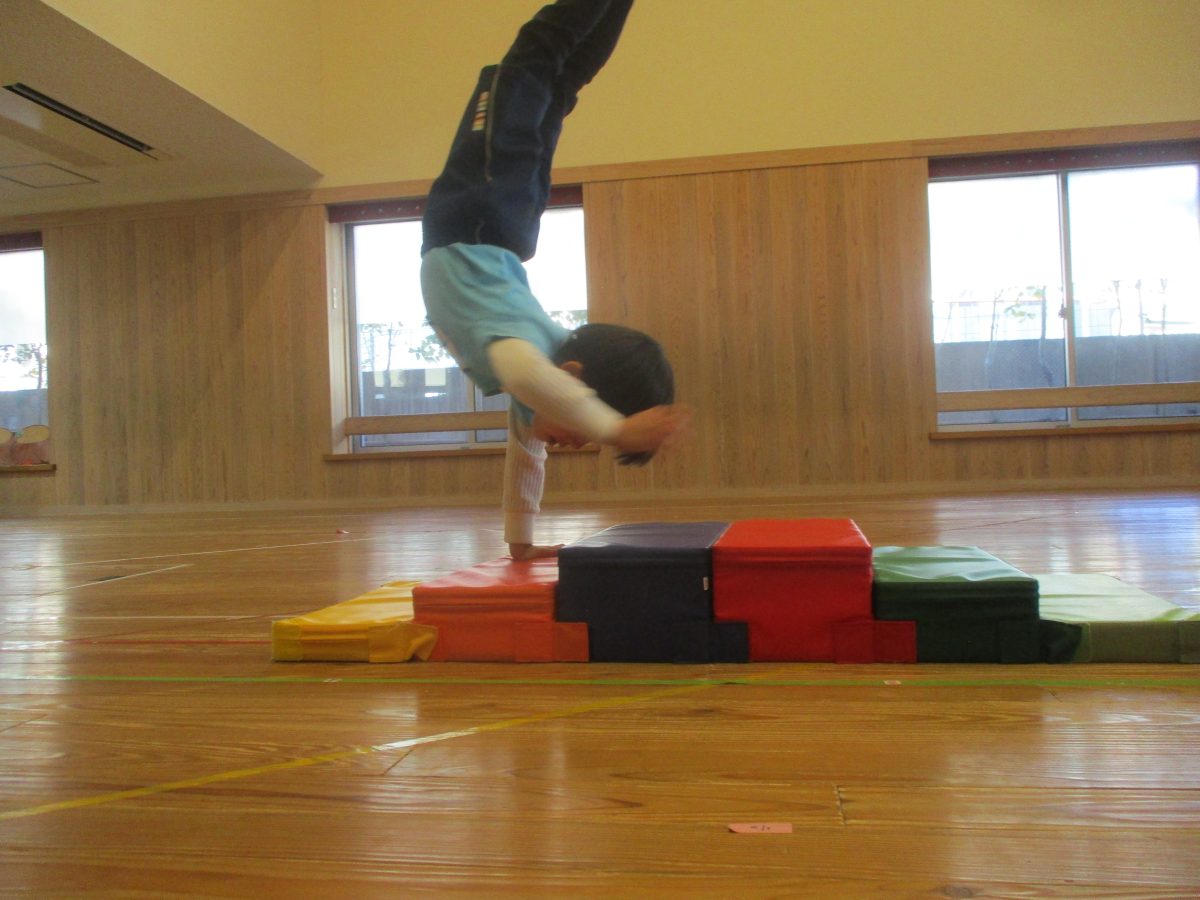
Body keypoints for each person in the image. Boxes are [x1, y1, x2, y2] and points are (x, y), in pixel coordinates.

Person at [421, 0, 688, 561]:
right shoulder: (525, 356)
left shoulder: (531, 391)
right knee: (532, 63)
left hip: (499, 227)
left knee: (557, 89)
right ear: (570, 375)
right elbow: (530, 375)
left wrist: (521, 546)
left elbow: (526, 461)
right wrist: (616, 428)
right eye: (583, 428)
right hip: (475, 216)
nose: (577, 442)